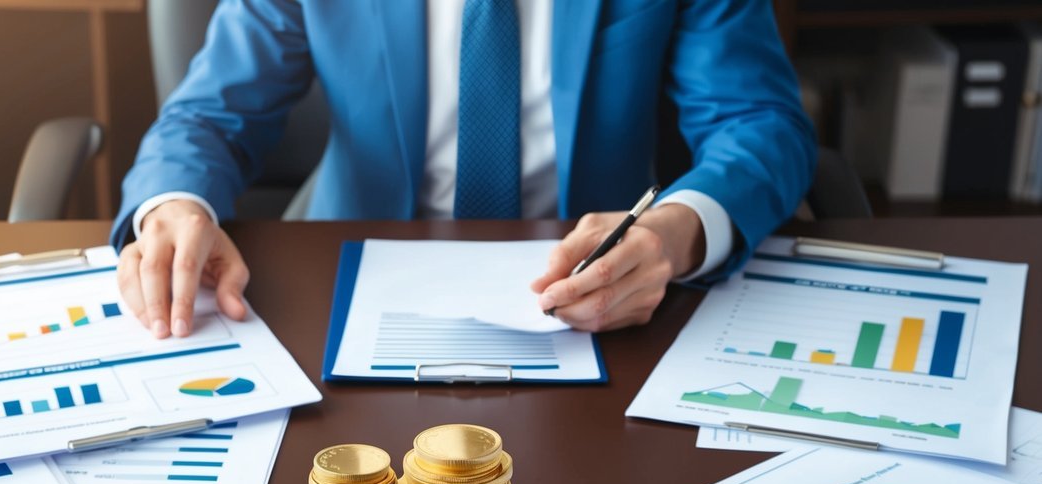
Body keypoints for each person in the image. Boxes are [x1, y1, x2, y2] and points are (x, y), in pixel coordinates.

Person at [111, 0, 815, 339]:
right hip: (346, 288)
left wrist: (679, 230)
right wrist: (175, 205)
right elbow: (206, 116)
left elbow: (758, 123)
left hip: (604, 299)